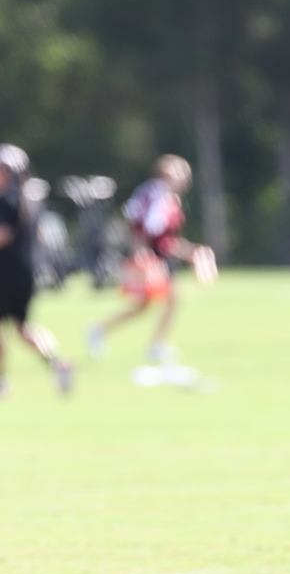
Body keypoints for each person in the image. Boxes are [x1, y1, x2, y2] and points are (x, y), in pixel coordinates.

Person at [86, 155, 212, 362]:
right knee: (169, 299)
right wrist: (141, 254)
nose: (182, 179)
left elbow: (167, 238)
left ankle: (100, 330)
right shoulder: (156, 194)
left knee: (147, 305)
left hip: (160, 254)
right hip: (153, 257)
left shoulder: (168, 196)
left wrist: (189, 252)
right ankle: (154, 345)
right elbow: (141, 226)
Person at [0, 145, 73, 395]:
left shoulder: (7, 199)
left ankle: (1, 382)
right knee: (22, 327)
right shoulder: (29, 197)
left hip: (6, 273)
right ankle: (57, 363)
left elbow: (3, 236)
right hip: (25, 272)